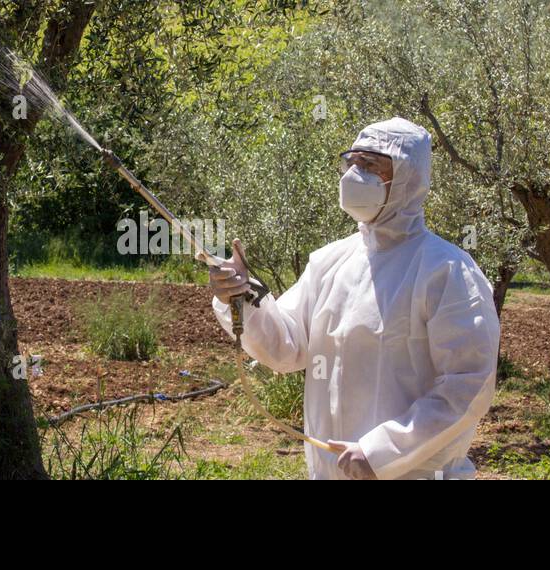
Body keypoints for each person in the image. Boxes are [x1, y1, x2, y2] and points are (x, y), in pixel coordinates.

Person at [209, 117, 500, 480]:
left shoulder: (448, 271)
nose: (355, 175)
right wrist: (241, 294)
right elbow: (286, 346)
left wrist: (381, 452)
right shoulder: (329, 262)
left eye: (371, 165)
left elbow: (467, 384)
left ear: (407, 177)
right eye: (353, 162)